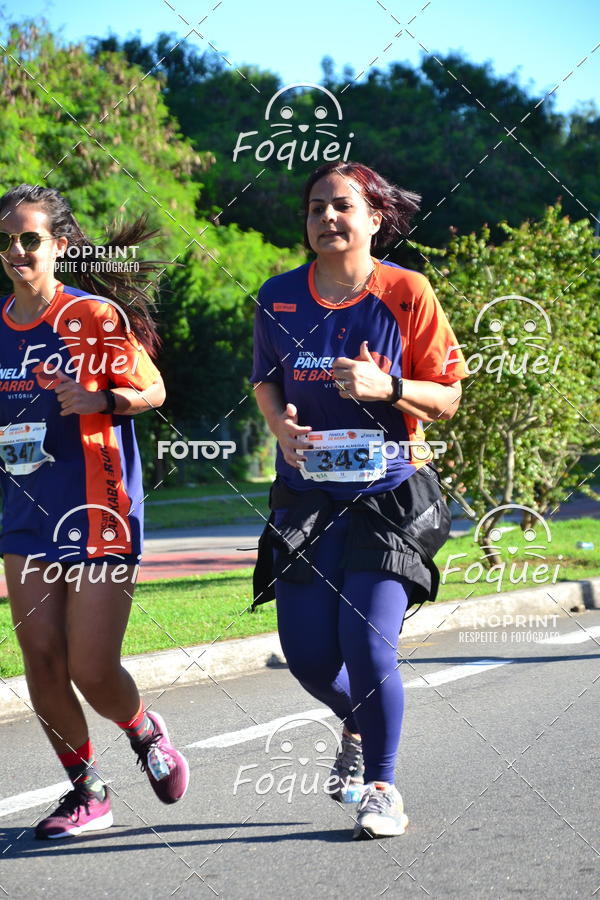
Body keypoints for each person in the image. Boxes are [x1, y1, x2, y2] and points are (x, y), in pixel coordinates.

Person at [250, 161, 468, 840]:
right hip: (307, 499)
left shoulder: (408, 292)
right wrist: (280, 426)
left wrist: (388, 388)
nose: (326, 219)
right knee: (310, 656)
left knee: (369, 649)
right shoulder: (278, 297)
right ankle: (355, 720)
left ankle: (382, 786)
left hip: (390, 492)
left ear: (375, 217)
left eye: (341, 206)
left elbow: (449, 396)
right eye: (315, 208)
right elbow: (266, 380)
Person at [0, 185, 189, 840]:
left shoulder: (91, 317)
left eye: (29, 238)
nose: (16, 251)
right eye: (5, 241)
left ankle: (143, 731)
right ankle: (88, 792)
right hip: (25, 515)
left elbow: (154, 390)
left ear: (58, 245)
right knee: (41, 657)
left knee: (91, 666)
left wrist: (100, 400)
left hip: (99, 508)